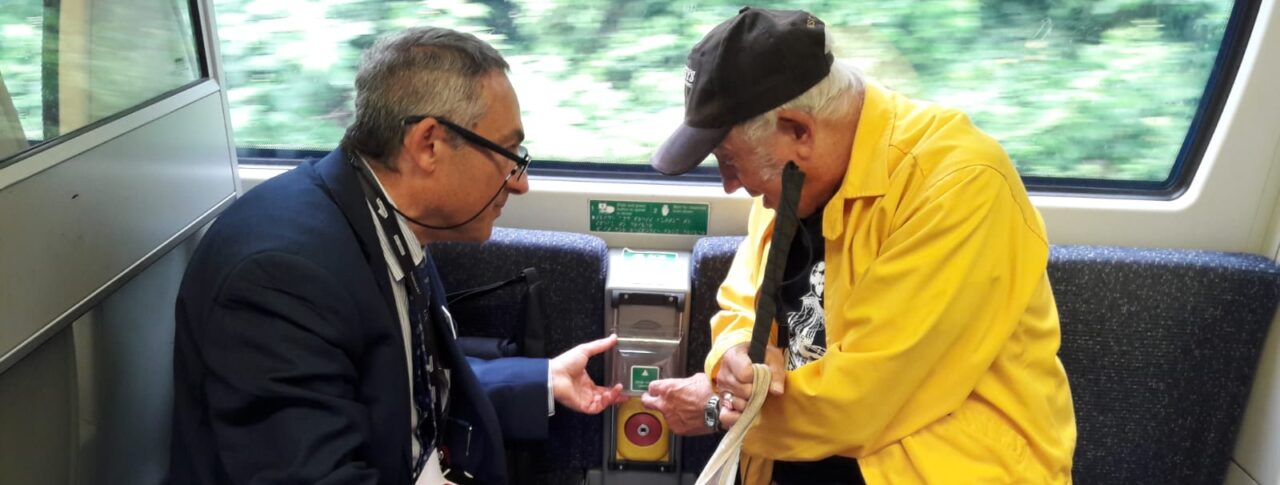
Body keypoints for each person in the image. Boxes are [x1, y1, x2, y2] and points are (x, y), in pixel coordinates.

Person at [170, 27, 626, 485]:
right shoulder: (281, 277)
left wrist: (542, 379)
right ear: (429, 144)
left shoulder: (380, 217)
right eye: (508, 153)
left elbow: (403, 388)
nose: (520, 181)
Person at [641, 7, 1076, 484]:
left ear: (798, 130)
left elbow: (867, 399)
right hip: (796, 461)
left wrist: (713, 408)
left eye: (729, 162)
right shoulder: (789, 181)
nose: (730, 185)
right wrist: (733, 358)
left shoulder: (960, 185)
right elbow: (744, 301)